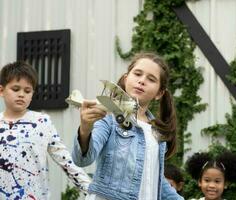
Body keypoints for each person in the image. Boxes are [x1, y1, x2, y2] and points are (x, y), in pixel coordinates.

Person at [72, 52, 183, 200]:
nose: (142, 81)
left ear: (159, 93)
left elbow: (153, 178)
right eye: (137, 74)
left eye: (151, 79)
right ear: (126, 79)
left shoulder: (157, 132)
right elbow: (82, 160)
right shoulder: (109, 119)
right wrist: (85, 129)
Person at [0, 61, 91, 199]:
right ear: (2, 91)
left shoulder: (42, 122)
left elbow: (65, 160)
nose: (21, 94)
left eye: (27, 91)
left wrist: (93, 191)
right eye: (15, 89)